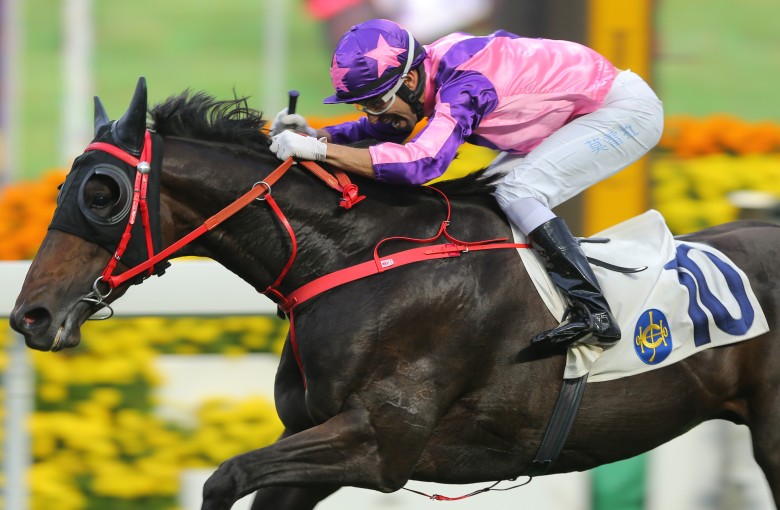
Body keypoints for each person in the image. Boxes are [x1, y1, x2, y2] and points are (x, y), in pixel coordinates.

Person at [268, 19, 664, 351]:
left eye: (374, 102)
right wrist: (319, 136)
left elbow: (423, 163)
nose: (371, 114)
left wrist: (318, 152)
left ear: (408, 79)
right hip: (575, 115)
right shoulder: (430, 73)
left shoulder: (466, 85)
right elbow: (388, 124)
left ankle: (594, 311)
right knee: (492, 196)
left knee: (515, 192)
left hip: (621, 112)